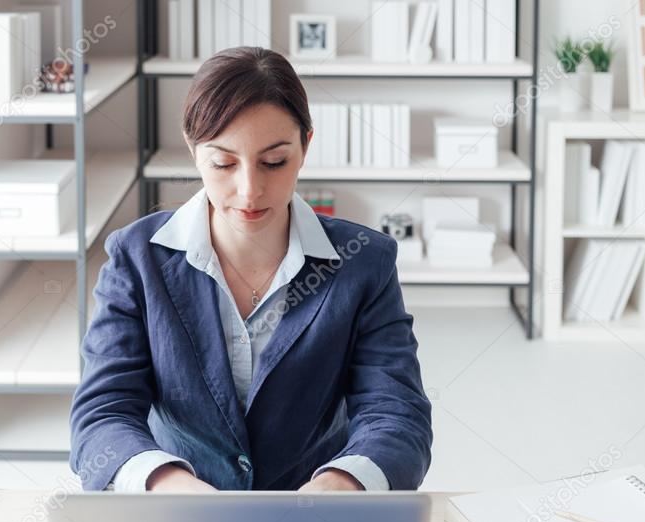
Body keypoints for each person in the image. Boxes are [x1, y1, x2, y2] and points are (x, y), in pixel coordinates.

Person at [69, 46, 432, 492]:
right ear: (193, 149)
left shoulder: (366, 262)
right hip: (178, 518)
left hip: (318, 520)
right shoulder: (135, 258)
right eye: (223, 163)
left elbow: (396, 413)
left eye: (274, 162)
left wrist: (343, 484)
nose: (249, 190)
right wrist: (165, 483)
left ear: (305, 146)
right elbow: (103, 414)